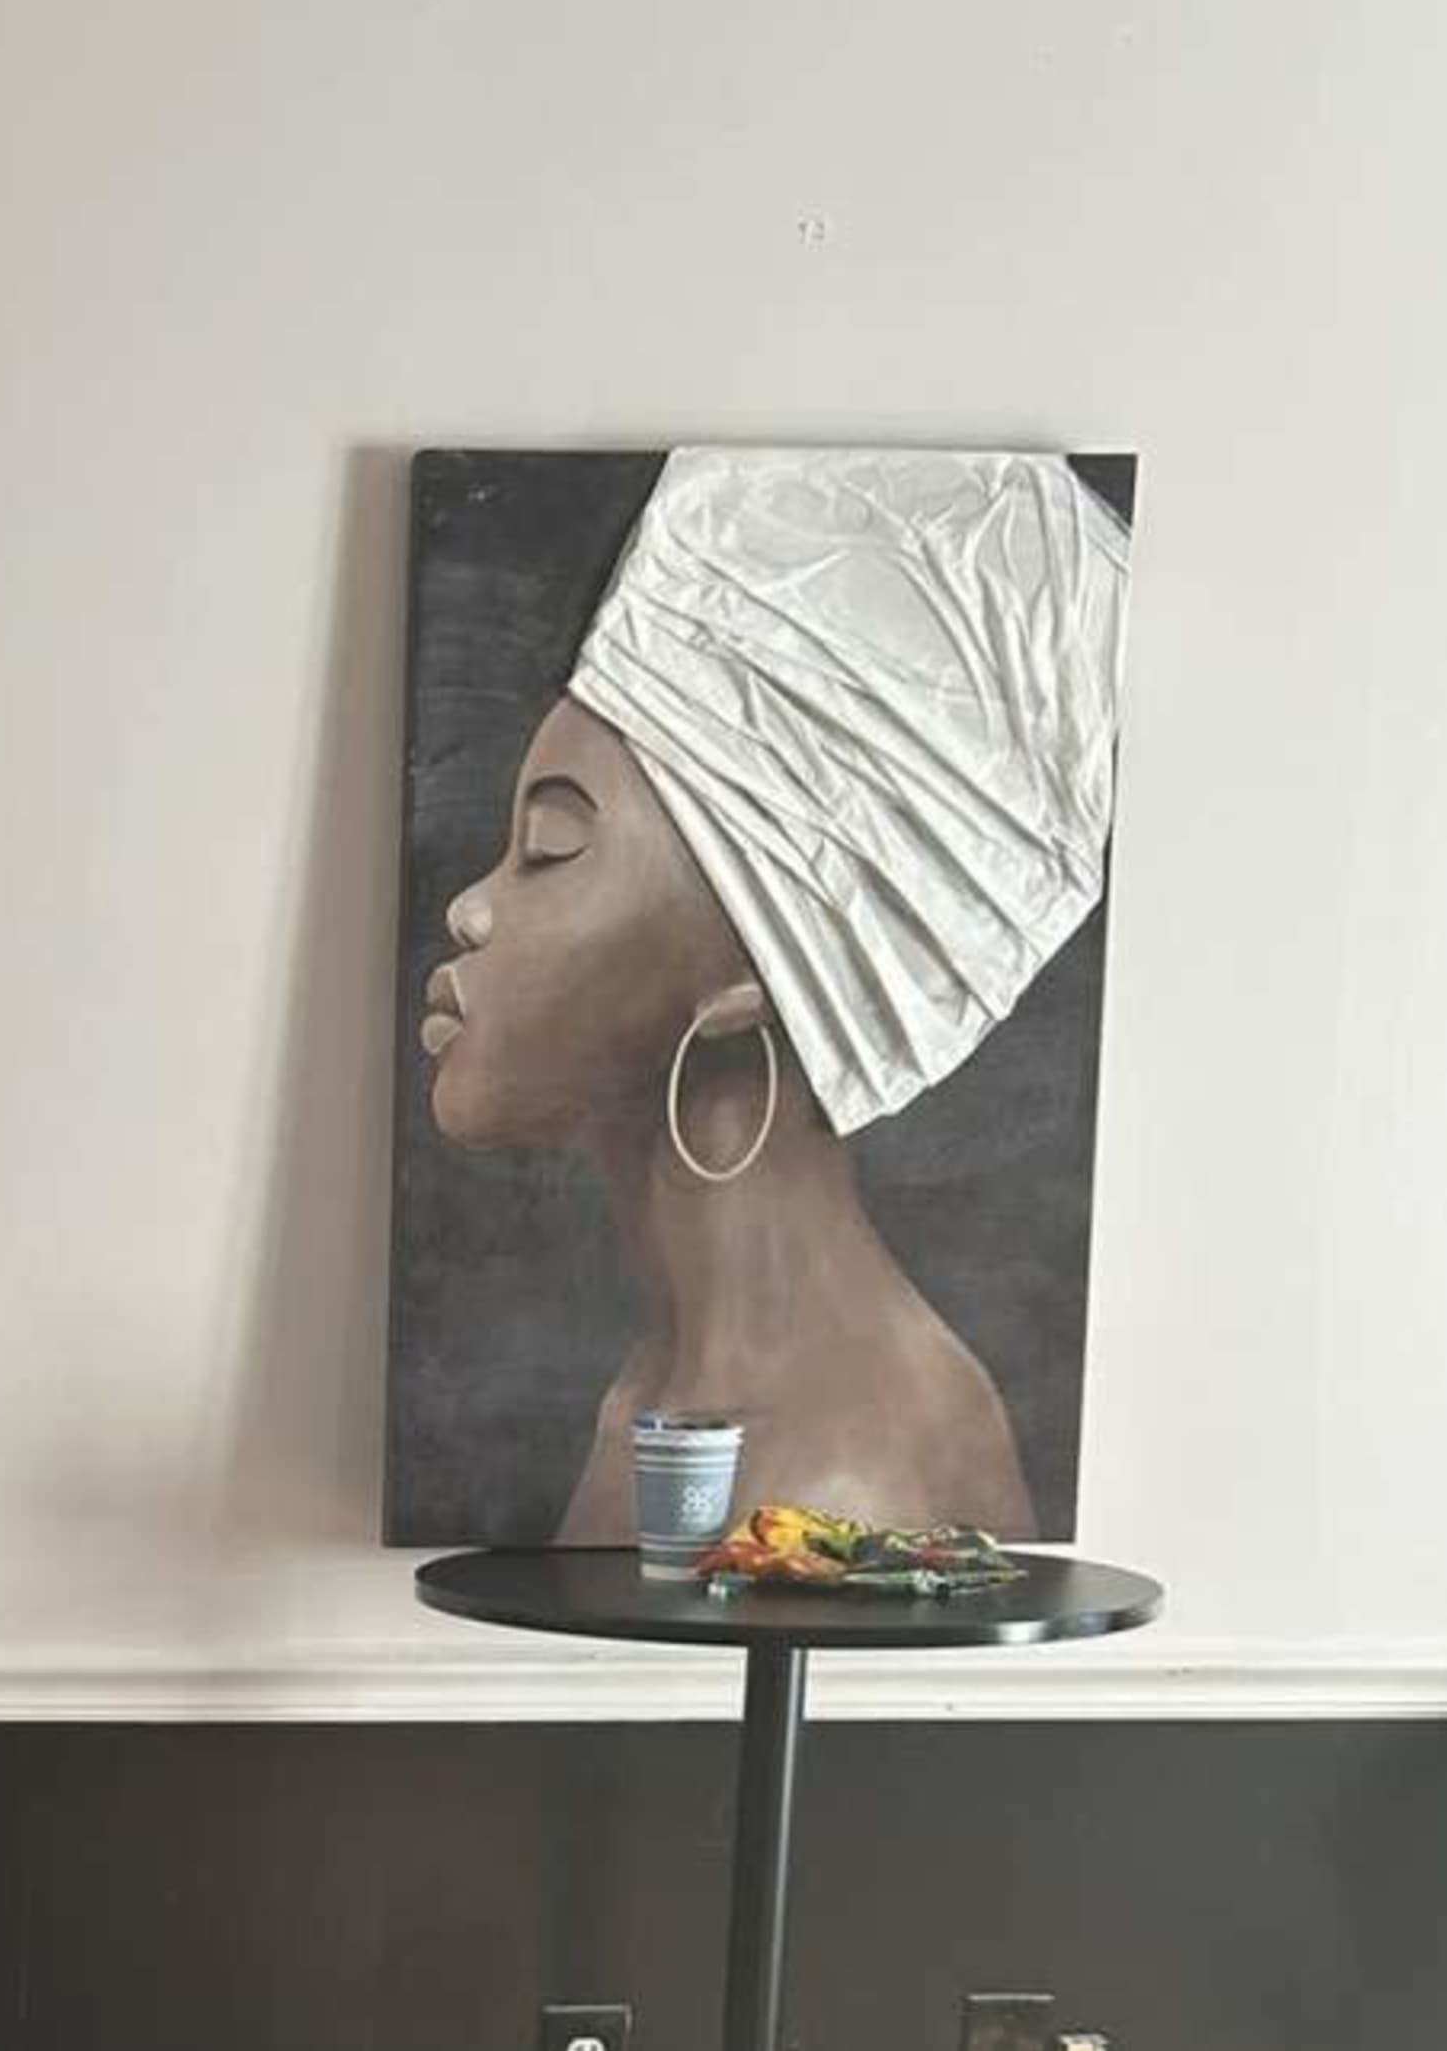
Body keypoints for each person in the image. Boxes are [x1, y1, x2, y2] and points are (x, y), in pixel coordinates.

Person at [419, 446, 1128, 1541]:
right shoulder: (665, 1386)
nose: (470, 909)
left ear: (751, 975)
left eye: (549, 849)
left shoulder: (843, 1479)